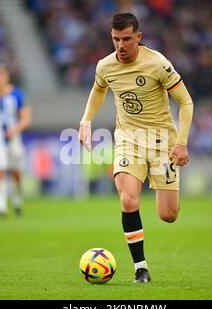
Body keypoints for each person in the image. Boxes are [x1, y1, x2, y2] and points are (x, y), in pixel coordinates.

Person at [79, 13, 194, 283]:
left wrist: (181, 143)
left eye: (126, 39)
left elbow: (186, 103)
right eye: (116, 39)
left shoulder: (158, 64)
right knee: (129, 199)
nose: (120, 45)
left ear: (138, 38)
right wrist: (86, 120)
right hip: (128, 140)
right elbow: (98, 90)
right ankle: (140, 268)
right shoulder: (105, 66)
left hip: (162, 142)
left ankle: (144, 256)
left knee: (168, 215)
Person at [0, 63, 31, 218]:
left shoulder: (17, 95)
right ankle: (1, 208)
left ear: (6, 77)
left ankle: (17, 202)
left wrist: (15, 129)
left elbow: (26, 118)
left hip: (14, 139)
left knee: (16, 173)